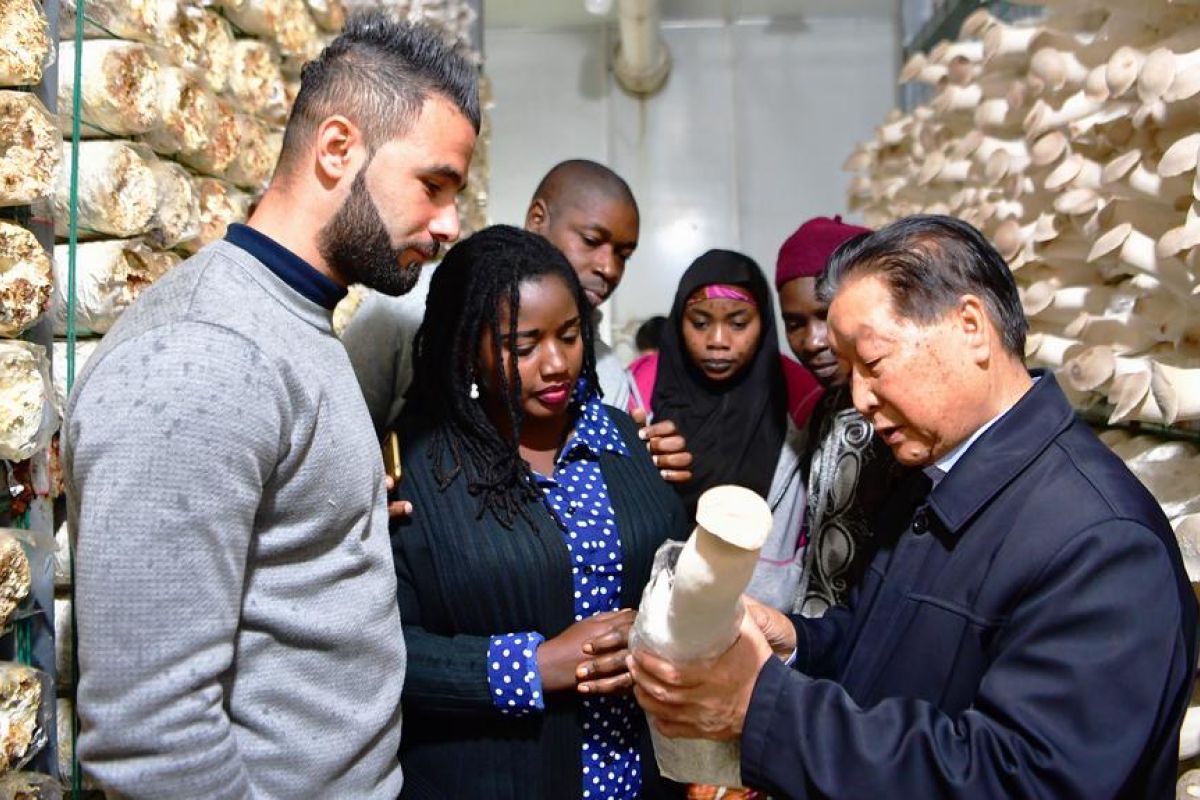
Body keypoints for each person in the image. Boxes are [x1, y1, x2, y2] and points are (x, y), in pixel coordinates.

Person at [629, 215, 1198, 799]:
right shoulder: (930, 479)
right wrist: (794, 642)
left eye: (873, 364)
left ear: (970, 326)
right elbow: (880, 646)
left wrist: (763, 710)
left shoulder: (1104, 544)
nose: (859, 398)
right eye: (849, 373)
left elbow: (1018, 781)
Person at [63, 14, 478, 798]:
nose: (450, 222)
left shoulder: (296, 322)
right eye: (433, 184)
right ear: (336, 149)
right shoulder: (202, 354)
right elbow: (152, 740)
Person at [389, 225, 687, 799]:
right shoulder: (422, 468)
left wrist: (655, 635)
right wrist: (534, 665)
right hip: (495, 777)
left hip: (637, 774)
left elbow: (677, 580)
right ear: (465, 346)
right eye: (522, 347)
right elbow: (386, 651)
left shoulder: (622, 438)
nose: (556, 364)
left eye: (570, 335)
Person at [631, 249, 809, 612]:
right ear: (679, 321)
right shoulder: (639, 387)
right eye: (699, 323)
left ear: (764, 323)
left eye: (738, 324)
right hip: (650, 606)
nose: (717, 340)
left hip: (760, 616)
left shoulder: (800, 396)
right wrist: (635, 460)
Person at [776, 216, 906, 616]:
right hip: (816, 637)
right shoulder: (824, 408)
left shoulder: (906, 408)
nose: (813, 342)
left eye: (826, 316)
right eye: (795, 324)